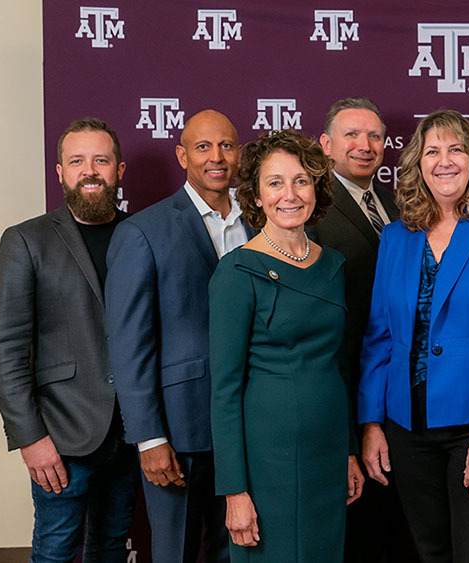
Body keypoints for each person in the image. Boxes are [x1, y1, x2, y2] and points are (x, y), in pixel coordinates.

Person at [358, 110, 469, 563]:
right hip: (407, 426)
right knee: (431, 552)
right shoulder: (396, 237)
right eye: (432, 151)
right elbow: (379, 337)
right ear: (418, 163)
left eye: (456, 149)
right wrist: (372, 422)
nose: (445, 161)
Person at [0, 117, 138, 562]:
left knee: (111, 548)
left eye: (101, 160)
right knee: (55, 552)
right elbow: (2, 348)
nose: (89, 170)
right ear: (60, 172)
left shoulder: (140, 234)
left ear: (119, 170)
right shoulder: (25, 241)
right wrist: (30, 438)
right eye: (77, 161)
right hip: (61, 436)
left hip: (131, 435)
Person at [106, 109, 254, 563]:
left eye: (227, 146)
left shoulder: (263, 223)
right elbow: (129, 345)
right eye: (203, 147)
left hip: (252, 422)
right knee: (177, 552)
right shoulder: (142, 232)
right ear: (182, 155)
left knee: (244, 548)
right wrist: (149, 438)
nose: (217, 157)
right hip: (180, 430)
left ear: (240, 154)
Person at [209, 129, 363, 561]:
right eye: (275, 183)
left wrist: (349, 451)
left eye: (300, 180)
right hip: (267, 460)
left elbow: (341, 366)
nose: (290, 194)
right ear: (256, 197)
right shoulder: (237, 273)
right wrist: (234, 490)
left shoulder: (333, 264)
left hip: (328, 451)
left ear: (316, 186)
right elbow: (223, 391)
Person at [308, 97, 415, 563]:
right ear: (326, 144)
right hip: (340, 382)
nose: (365, 145)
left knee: (398, 522)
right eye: (351, 135)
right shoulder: (309, 206)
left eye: (374, 136)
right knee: (354, 527)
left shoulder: (399, 205)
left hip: (398, 386)